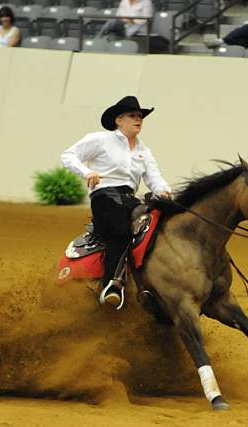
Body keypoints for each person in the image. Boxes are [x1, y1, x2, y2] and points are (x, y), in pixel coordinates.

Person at [61, 96, 171, 308]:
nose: (138, 119)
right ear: (118, 120)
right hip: (105, 196)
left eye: (140, 116)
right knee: (121, 230)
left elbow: (155, 179)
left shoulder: (144, 151)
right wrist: (87, 172)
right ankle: (111, 285)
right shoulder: (100, 140)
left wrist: (165, 192)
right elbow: (69, 155)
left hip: (130, 199)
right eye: (132, 115)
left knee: (159, 227)